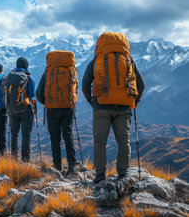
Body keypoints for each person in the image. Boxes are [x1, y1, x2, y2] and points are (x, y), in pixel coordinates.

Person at [82, 32, 145, 184]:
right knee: (124, 142)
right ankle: (123, 175)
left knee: (100, 142)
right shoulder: (129, 60)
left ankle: (100, 176)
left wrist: (94, 102)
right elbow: (141, 85)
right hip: (123, 108)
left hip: (101, 107)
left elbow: (85, 86)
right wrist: (134, 102)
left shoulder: (96, 61)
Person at [36, 51, 78, 174]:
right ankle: (72, 166)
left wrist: (48, 103)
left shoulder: (48, 70)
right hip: (68, 108)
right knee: (68, 135)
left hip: (52, 109)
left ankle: (58, 166)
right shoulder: (71, 69)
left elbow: (39, 93)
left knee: (55, 138)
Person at [4, 57, 36, 162]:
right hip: (25, 110)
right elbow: (32, 94)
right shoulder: (29, 78)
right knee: (26, 135)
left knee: (14, 134)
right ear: (26, 66)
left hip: (12, 110)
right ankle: (25, 160)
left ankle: (14, 158)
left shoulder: (10, 76)